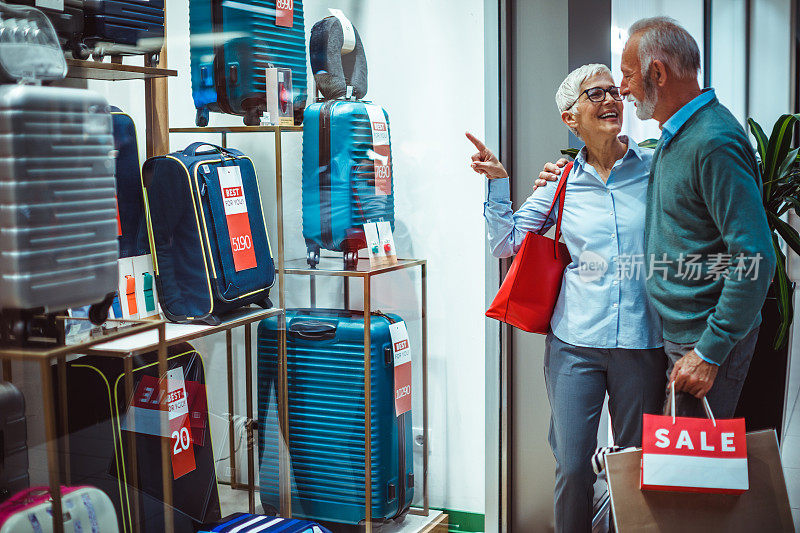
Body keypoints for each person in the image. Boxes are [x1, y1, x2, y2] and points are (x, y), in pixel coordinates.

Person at [538, 17, 776, 418]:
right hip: (684, 336)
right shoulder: (676, 137)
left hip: (703, 341)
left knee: (688, 477)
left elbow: (756, 259)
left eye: (627, 77)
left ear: (658, 73)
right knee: (673, 472)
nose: (623, 90)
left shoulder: (712, 141)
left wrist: (709, 351)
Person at [469, 63, 666, 533]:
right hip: (574, 343)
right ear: (570, 118)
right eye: (594, 93)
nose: (609, 100)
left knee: (638, 466)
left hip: (642, 341)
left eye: (613, 91)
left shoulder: (656, 170)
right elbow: (507, 243)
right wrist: (498, 182)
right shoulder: (560, 183)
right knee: (574, 467)